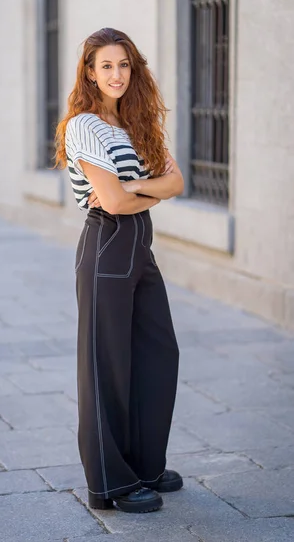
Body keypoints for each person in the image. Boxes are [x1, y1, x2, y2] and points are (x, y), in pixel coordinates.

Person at [55, 27, 184, 514]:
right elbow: (112, 199)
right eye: (105, 65)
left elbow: (179, 182)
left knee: (157, 353)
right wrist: (153, 187)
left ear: (135, 69)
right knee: (106, 366)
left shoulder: (135, 124)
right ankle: (109, 483)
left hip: (139, 246)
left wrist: (141, 188)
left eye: (124, 64)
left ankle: (145, 465)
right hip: (107, 245)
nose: (116, 74)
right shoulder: (84, 125)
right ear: (89, 72)